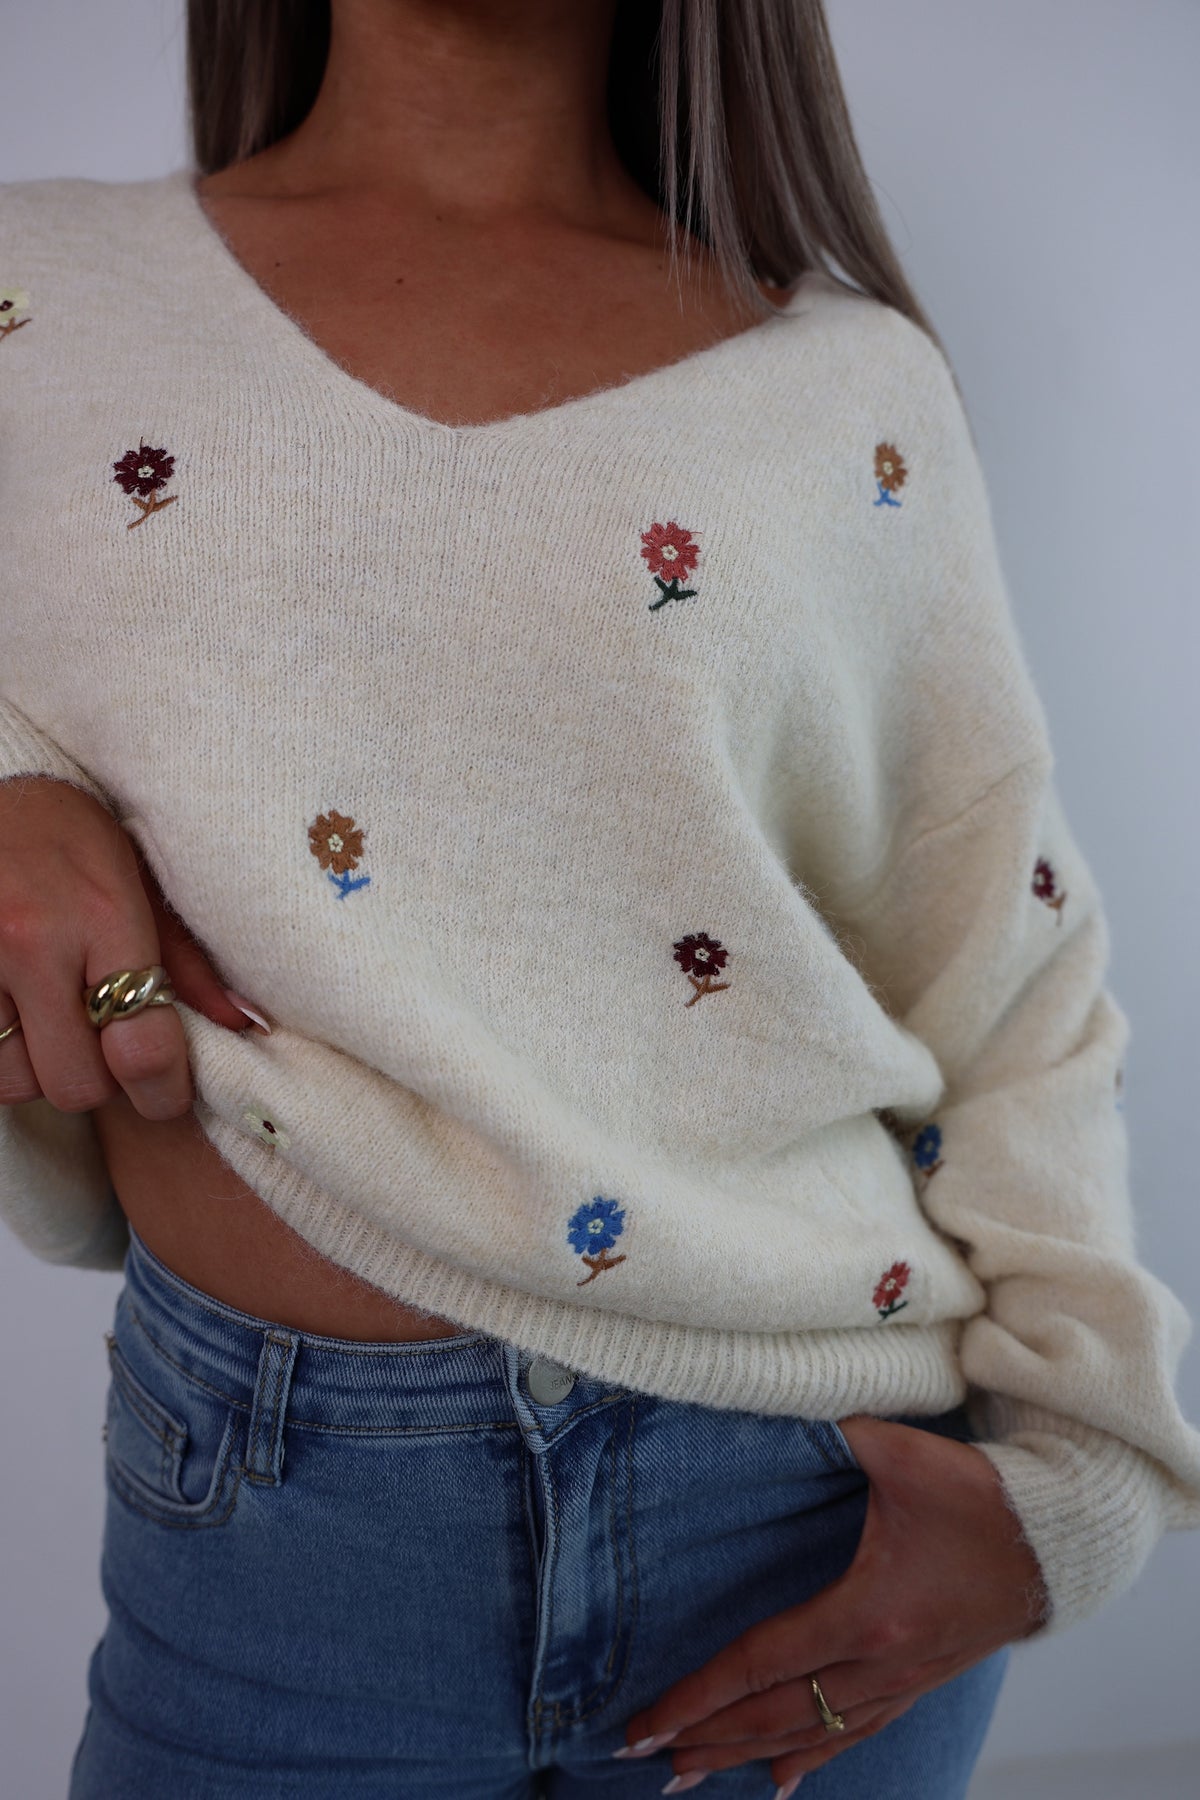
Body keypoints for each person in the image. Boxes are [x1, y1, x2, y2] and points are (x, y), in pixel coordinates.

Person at [1, 1, 1198, 1795]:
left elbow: (1003, 968)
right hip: (278, 1542)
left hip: (817, 1500)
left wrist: (1078, 1483)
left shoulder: (851, 385)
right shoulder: (36, 293)